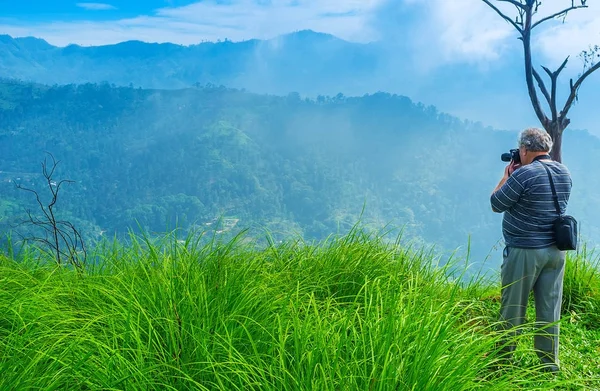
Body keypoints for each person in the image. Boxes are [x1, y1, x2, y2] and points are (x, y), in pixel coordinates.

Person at [490, 127, 572, 372]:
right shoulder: (564, 171)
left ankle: (502, 362)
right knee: (549, 308)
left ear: (524, 149)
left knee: (513, 308)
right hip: (556, 252)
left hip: (525, 250)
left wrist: (507, 175)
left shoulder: (522, 175)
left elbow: (496, 203)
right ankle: (548, 365)